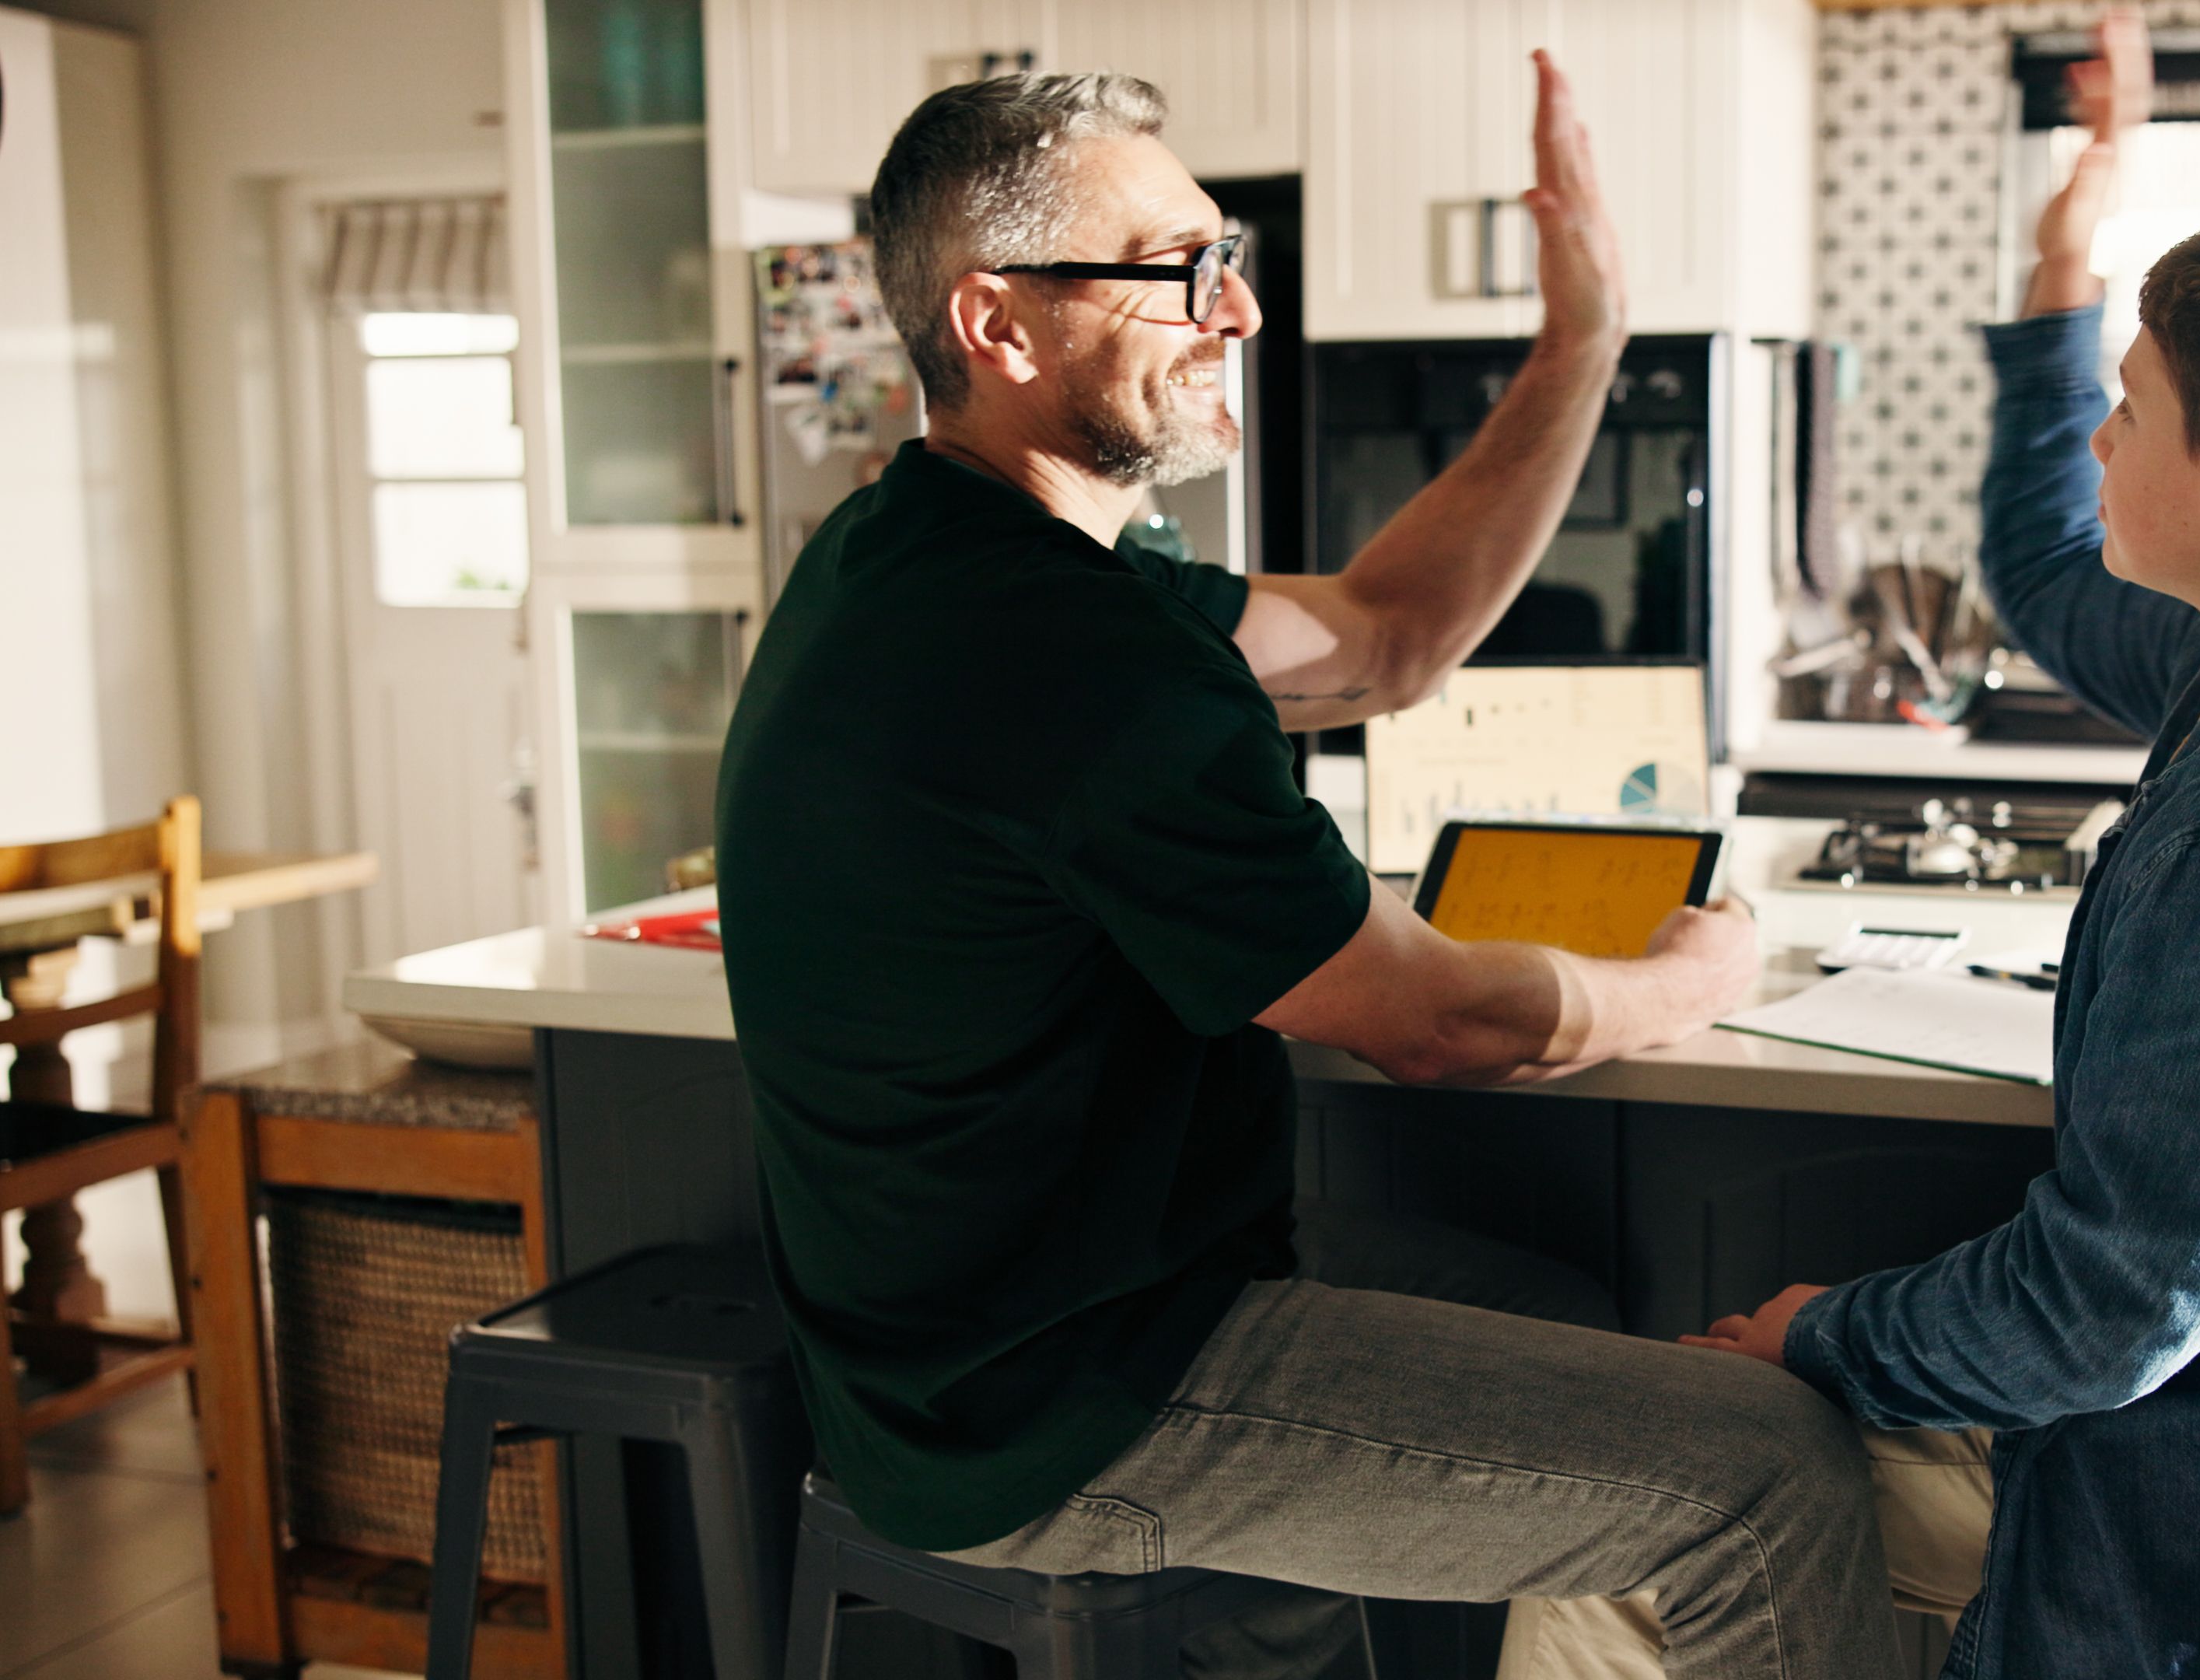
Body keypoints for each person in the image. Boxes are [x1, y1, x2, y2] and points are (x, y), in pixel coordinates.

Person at [715, 58, 1912, 1680]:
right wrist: (1684, 981)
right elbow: (1437, 1023)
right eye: (1179, 270)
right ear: (1000, 325)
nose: (1239, 310)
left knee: (1556, 1309)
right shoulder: (1061, 650)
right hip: (1063, 1399)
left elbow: (1384, 636)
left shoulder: (933, 551)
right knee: (1766, 1474)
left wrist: (1582, 342)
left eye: (1227, 257)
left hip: (1004, 1335)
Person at [1504, 12, 2200, 1679]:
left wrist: (1821, 1334)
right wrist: (2066, 247)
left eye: (2126, 410)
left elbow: (2098, 1318)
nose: (2099, 440)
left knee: (1615, 1530)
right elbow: (2055, 578)